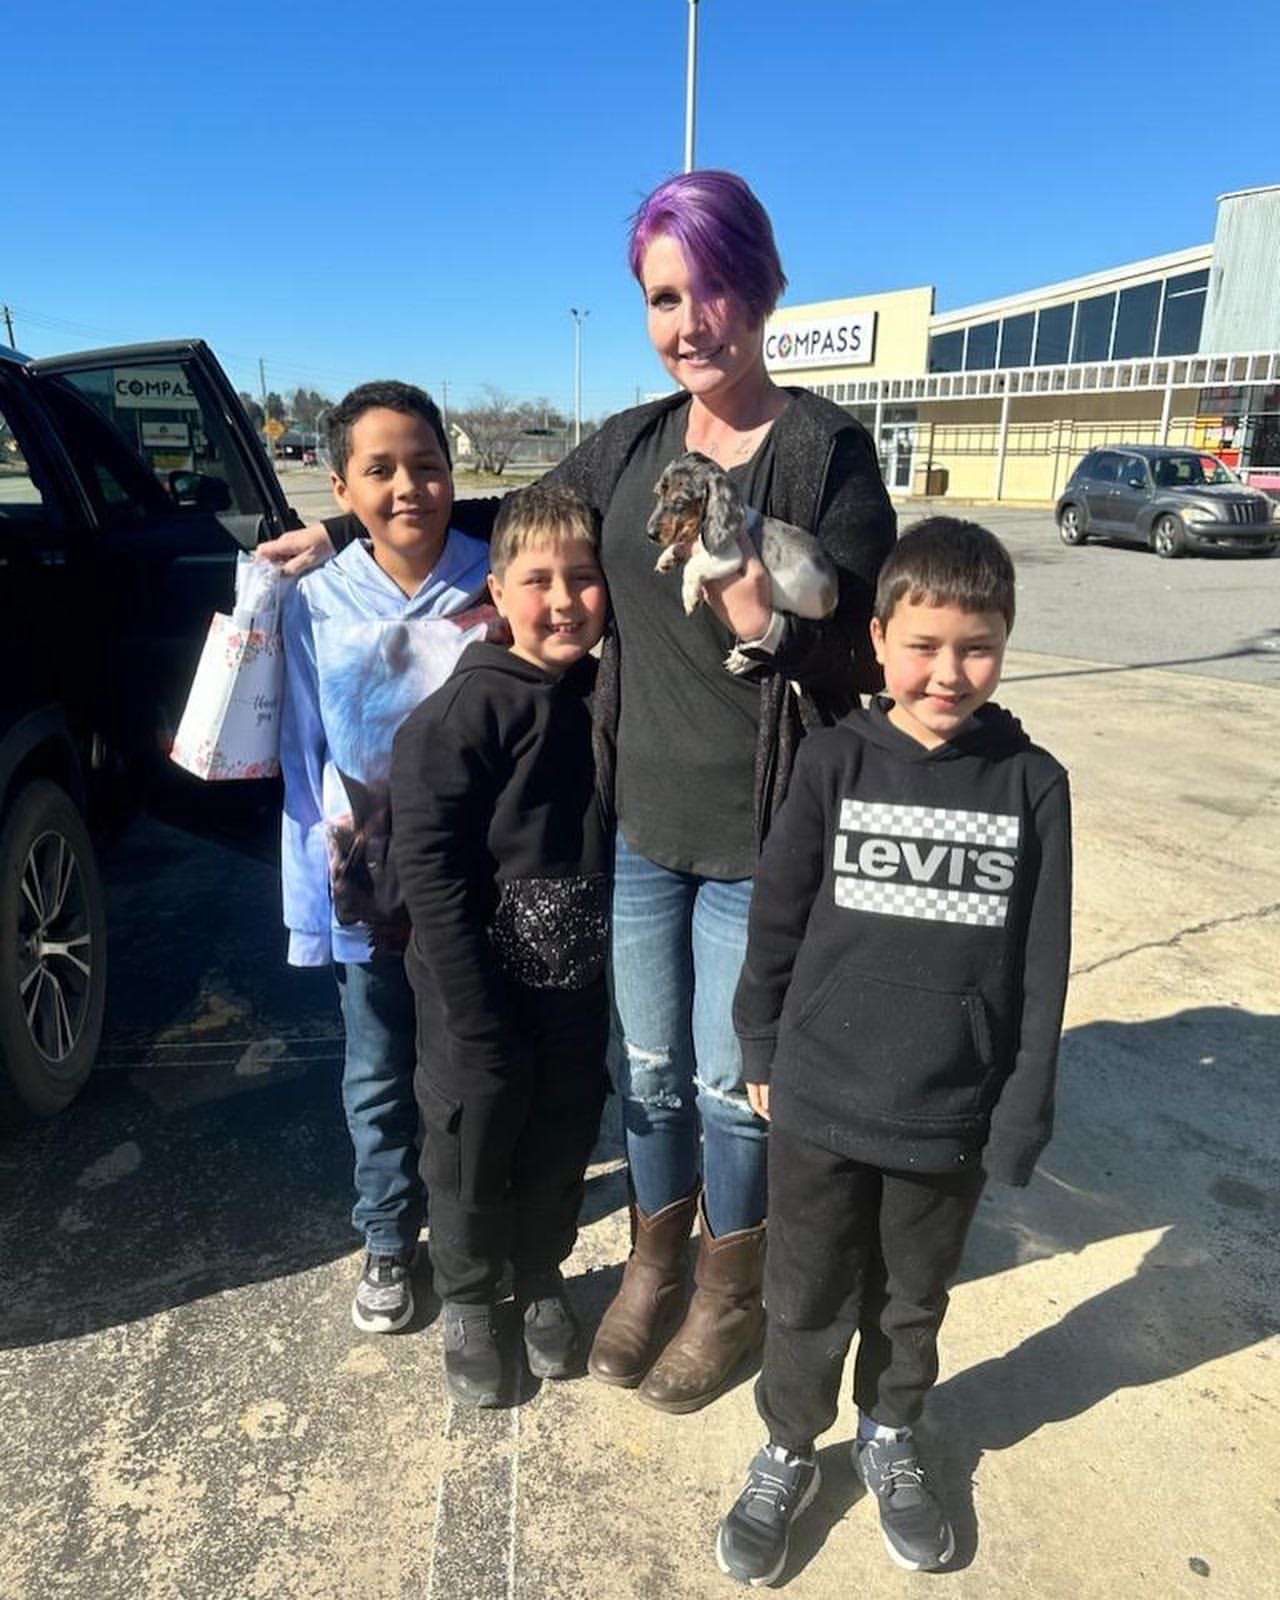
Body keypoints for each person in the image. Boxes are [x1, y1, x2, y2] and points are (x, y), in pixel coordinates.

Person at [259, 169, 897, 1412]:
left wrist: (766, 616)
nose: (688, 321)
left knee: (729, 1081)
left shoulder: (824, 450)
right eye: (664, 298)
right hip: (641, 833)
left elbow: (868, 638)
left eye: (710, 289)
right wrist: (354, 536)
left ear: (758, 287)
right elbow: (517, 516)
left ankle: (727, 1292)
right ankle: (654, 1269)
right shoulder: (636, 443)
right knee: (647, 1071)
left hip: (760, 834)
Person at [714, 519, 1073, 1586]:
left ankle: (889, 1432)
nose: (946, 671)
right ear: (877, 640)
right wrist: (758, 1042)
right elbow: (775, 920)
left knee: (910, 1297)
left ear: (1003, 646)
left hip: (942, 1112)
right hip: (818, 1095)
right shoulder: (830, 761)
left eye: (976, 646)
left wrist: (1016, 1112)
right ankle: (786, 1446)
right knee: (803, 1289)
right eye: (923, 644)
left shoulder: (1032, 786)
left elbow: (1040, 974)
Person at [389, 484, 612, 1406]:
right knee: (473, 1141)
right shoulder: (462, 714)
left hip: (575, 981)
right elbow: (430, 875)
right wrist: (471, 1013)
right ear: (496, 589)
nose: (563, 600)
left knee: (562, 1129)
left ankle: (543, 1275)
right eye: (538, 580)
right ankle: (474, 1296)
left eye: (585, 578)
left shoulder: (607, 695)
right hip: (473, 991)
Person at [279, 379, 493, 1335]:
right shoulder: (312, 604)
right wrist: (307, 898)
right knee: (376, 1065)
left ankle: (470, 1230)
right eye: (380, 470)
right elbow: (300, 755)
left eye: (427, 464)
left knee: (471, 1062)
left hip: (482, 878)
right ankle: (384, 1235)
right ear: (339, 485)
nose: (409, 486)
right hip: (362, 879)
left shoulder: (500, 578)